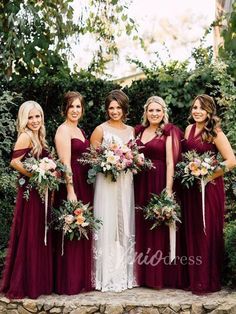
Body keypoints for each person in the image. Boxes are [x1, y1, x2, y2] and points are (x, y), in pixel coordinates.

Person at [182, 94, 236, 294]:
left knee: (207, 230)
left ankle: (207, 280)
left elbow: (231, 160)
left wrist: (207, 174)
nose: (197, 111)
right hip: (190, 189)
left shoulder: (215, 132)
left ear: (209, 111)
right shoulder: (188, 129)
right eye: (195, 107)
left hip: (209, 187)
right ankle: (194, 278)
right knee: (193, 230)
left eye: (202, 108)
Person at [0, 101, 53, 299]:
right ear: (24, 120)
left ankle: (37, 281)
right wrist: (37, 174)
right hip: (30, 192)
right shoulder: (25, 136)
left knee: (38, 233)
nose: (34, 121)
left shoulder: (39, 136)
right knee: (30, 234)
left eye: (37, 116)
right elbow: (15, 162)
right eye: (30, 117)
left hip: (38, 192)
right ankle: (25, 284)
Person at [134, 96, 187, 289]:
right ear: (146, 112)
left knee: (159, 224)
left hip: (160, 180)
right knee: (143, 224)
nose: (154, 114)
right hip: (140, 182)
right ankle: (144, 275)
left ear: (164, 112)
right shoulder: (138, 131)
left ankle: (161, 277)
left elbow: (171, 161)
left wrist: (169, 189)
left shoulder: (168, 131)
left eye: (158, 110)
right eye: (151, 110)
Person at [90, 89, 136, 292]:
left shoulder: (131, 130)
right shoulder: (101, 129)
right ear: (107, 109)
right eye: (111, 108)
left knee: (123, 223)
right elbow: (92, 159)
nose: (114, 111)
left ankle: (122, 275)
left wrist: (127, 161)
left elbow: (133, 155)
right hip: (106, 182)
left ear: (124, 108)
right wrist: (110, 162)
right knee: (107, 223)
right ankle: (105, 276)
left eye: (118, 107)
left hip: (125, 182)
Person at [53, 91, 93, 294]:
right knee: (72, 229)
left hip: (84, 183)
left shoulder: (80, 130)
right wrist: (70, 190)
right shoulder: (63, 130)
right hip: (72, 183)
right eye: (71, 107)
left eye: (78, 106)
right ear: (64, 109)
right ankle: (69, 282)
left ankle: (81, 279)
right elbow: (65, 163)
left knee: (82, 229)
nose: (75, 110)